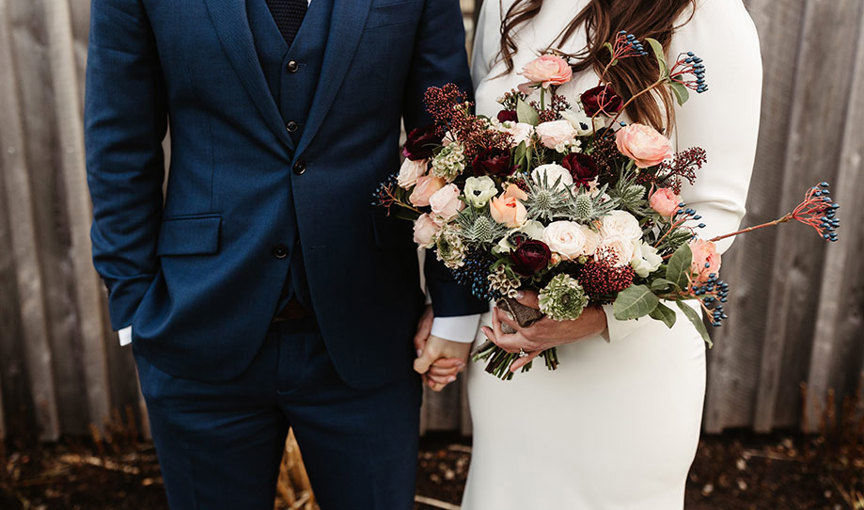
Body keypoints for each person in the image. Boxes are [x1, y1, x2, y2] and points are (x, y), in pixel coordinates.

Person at [84, 0, 486, 508]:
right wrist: (133, 303)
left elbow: (449, 135)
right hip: (198, 327)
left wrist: (455, 310)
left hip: (370, 328)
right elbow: (119, 140)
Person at [450, 0, 764, 508]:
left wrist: (602, 315)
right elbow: (478, 147)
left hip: (628, 370)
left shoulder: (709, 15)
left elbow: (715, 211)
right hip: (518, 353)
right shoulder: (509, 3)